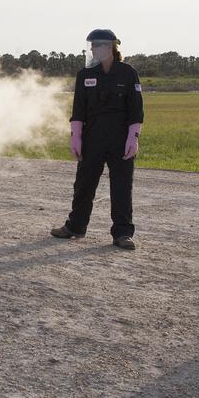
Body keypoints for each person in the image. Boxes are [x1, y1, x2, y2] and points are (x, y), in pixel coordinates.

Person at [51, 29, 144, 249]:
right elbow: (79, 109)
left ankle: (122, 234)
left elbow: (136, 110)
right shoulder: (85, 74)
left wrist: (134, 137)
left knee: (121, 186)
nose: (92, 49)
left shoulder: (128, 73)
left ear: (109, 47)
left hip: (120, 139)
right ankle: (75, 226)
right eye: (90, 46)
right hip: (92, 138)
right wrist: (76, 137)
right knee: (84, 184)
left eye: (96, 45)